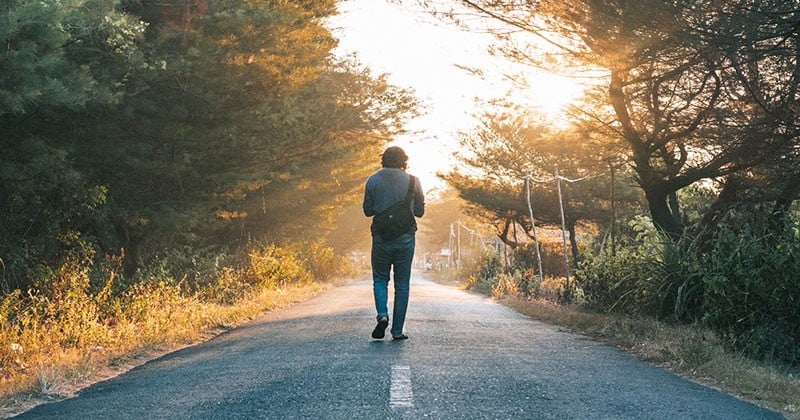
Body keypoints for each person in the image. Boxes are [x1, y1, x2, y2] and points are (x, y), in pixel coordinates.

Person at [362, 146, 424, 340]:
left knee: (380, 279)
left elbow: (368, 211)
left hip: (381, 237)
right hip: (405, 238)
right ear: (404, 161)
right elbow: (420, 212)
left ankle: (382, 314)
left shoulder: (372, 180)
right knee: (402, 283)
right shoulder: (413, 181)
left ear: (383, 160)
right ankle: (397, 331)